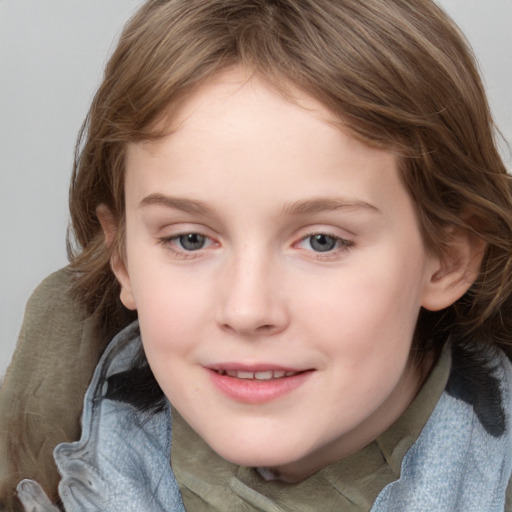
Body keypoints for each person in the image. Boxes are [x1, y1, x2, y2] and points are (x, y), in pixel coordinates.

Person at [1, 0, 512, 510]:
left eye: (322, 241)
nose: (247, 311)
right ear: (123, 257)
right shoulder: (40, 430)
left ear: (447, 258)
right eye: (190, 239)